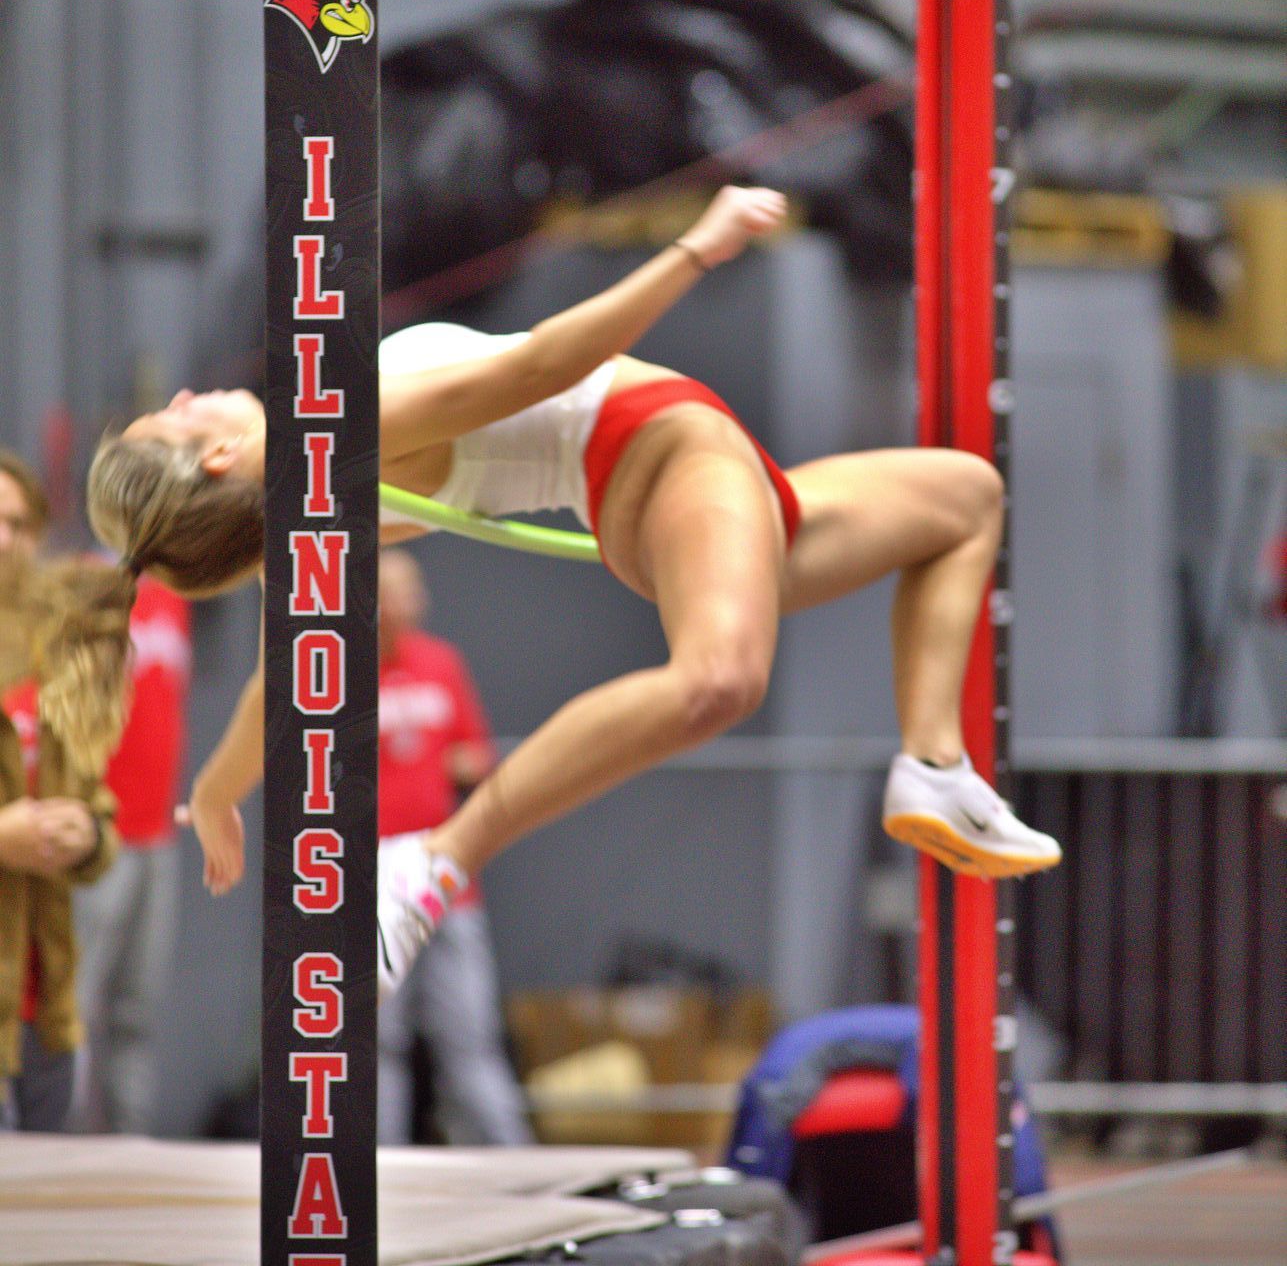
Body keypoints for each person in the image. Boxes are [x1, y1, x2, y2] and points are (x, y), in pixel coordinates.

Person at [84, 185, 1061, 1002]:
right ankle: (433, 863)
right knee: (721, 679)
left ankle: (934, 762)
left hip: (723, 495)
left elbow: (277, 677)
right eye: (166, 419)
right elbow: (545, 362)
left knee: (965, 498)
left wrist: (214, 795)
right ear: (213, 456)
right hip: (667, 457)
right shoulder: (341, 432)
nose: (182, 396)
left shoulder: (340, 500)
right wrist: (695, 249)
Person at [374, 548, 531, 1145]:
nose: (414, 604)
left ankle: (517, 1171)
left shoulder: (441, 664)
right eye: (399, 592)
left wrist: (463, 763)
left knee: (469, 1039)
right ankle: (372, 1173)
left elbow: (477, 754)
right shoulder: (340, 668)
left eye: (415, 591)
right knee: (375, 1042)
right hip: (373, 881)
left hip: (445, 876)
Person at [0, 449, 119, 1132]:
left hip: (45, 1007)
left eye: (18, 524)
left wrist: (87, 834)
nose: (4, 541)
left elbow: (100, 813)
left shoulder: (56, 661)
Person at [71, 574, 192, 1134]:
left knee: (136, 1009)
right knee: (76, 1003)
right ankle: (53, 1139)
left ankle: (130, 1141)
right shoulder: (88, 588)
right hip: (101, 831)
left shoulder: (174, 596)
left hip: (157, 834)